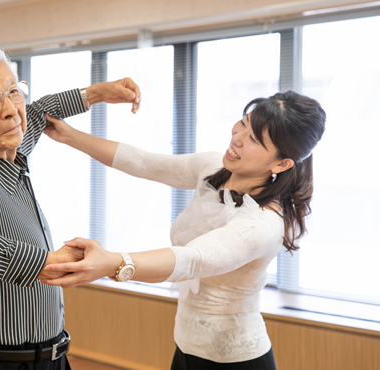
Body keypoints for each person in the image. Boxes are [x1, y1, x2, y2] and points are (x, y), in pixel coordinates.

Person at [34, 91, 325, 369]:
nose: (236, 137)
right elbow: (145, 162)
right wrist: (69, 136)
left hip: (236, 360)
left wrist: (112, 262)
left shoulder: (263, 224)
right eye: (243, 124)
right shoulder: (213, 169)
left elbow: (192, 259)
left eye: (252, 139)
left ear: (282, 163)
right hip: (187, 348)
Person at [0, 43, 140, 370]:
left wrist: (95, 93)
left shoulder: (3, 149)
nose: (10, 110)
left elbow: (37, 113)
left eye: (13, 91)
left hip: (46, 358)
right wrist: (44, 262)